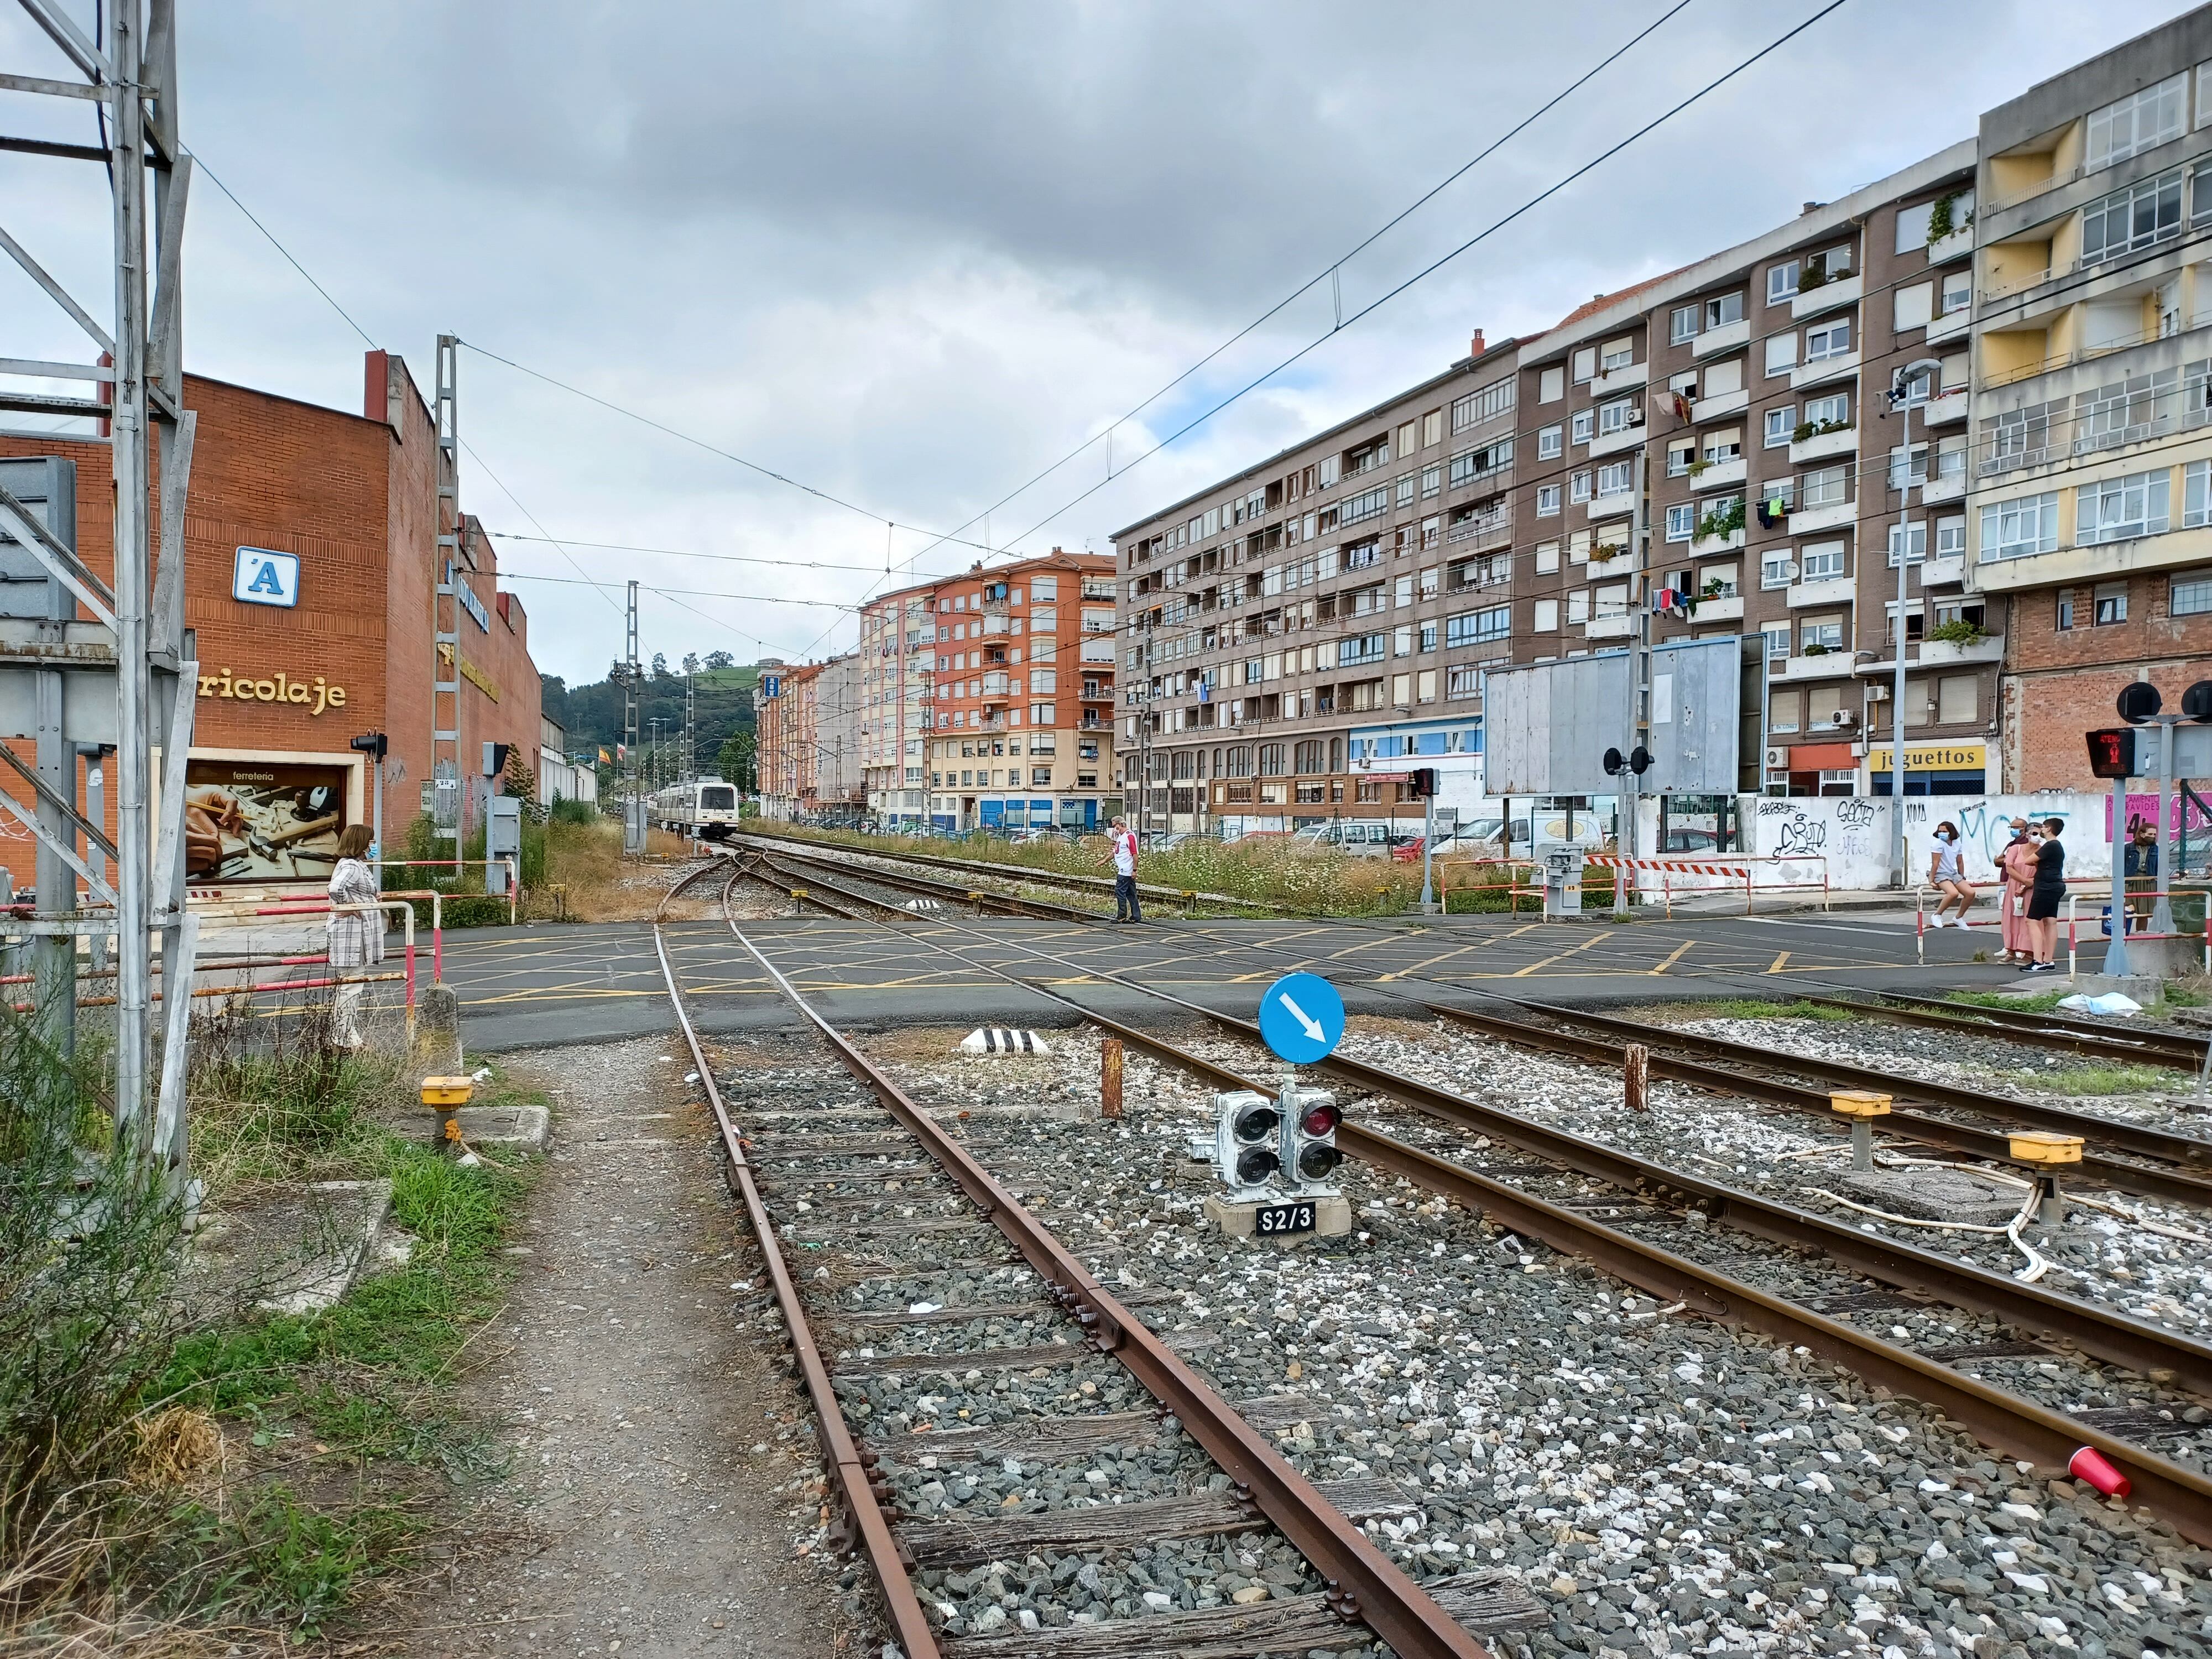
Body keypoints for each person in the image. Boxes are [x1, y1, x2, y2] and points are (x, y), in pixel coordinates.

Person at [325, 823, 383, 1046]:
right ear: (360, 843)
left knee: (350, 984)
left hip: (354, 933)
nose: (374, 846)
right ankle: (343, 1036)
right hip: (351, 933)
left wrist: (370, 899)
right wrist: (349, 906)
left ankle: (344, 1033)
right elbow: (335, 889)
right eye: (371, 842)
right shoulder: (352, 866)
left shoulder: (355, 865)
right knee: (351, 984)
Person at [2023, 816, 2065, 973]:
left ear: (2049, 829)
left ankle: (2038, 960)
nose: (2041, 830)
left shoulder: (2049, 846)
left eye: (2043, 827)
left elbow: (2029, 860)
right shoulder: (2057, 846)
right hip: (2055, 885)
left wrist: (2037, 861)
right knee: (2050, 921)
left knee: (2032, 921)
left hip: (2045, 886)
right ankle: (2048, 960)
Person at [1997, 818, 2037, 964]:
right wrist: (2023, 881)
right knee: (2010, 918)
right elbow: (2008, 866)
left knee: (2028, 919)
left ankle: (2029, 952)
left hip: (2031, 888)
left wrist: (2027, 883)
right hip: (2014, 887)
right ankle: (2011, 950)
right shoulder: (2015, 847)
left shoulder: (2042, 851)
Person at [1927, 820, 1974, 928]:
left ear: (1951, 832)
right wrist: (1931, 880)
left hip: (1951, 872)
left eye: (1944, 831)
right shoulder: (1938, 843)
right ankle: (1937, 915)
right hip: (1939, 872)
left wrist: (1961, 876)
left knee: (1970, 893)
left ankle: (1959, 918)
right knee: (1953, 893)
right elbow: (1935, 863)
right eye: (1940, 831)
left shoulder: (1957, 843)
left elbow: (1960, 861)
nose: (1941, 833)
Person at [2125, 820, 2160, 931]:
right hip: (2132, 881)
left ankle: (2140, 935)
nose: (2153, 837)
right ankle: (2123, 937)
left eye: (2154, 835)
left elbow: (2157, 867)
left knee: (2144, 913)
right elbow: (2122, 865)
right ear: (2142, 834)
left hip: (2148, 881)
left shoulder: (2155, 849)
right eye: (2150, 834)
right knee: (2128, 910)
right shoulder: (2129, 848)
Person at [1108, 816, 1142, 924]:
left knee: (1120, 892)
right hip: (1125, 870)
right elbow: (1115, 851)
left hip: (1126, 870)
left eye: (1115, 826)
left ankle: (1122, 915)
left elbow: (1135, 854)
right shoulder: (1121, 836)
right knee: (1131, 894)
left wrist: (1134, 870)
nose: (1114, 828)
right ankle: (1136, 916)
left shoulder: (1129, 836)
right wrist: (1104, 861)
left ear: (1121, 824)